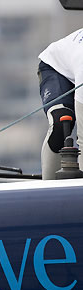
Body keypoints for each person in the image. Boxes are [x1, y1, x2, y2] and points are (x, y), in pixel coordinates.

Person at [38, 28, 83, 179]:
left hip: (74, 67)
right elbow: (82, 139)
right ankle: (48, 190)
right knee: (62, 121)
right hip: (56, 70)